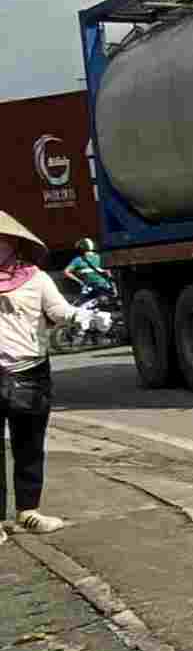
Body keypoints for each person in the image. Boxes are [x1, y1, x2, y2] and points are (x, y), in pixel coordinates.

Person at [0, 211, 114, 539]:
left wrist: (87, 318)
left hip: (31, 373)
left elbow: (59, 312)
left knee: (30, 446)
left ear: (15, 244)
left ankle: (28, 512)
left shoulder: (36, 278)